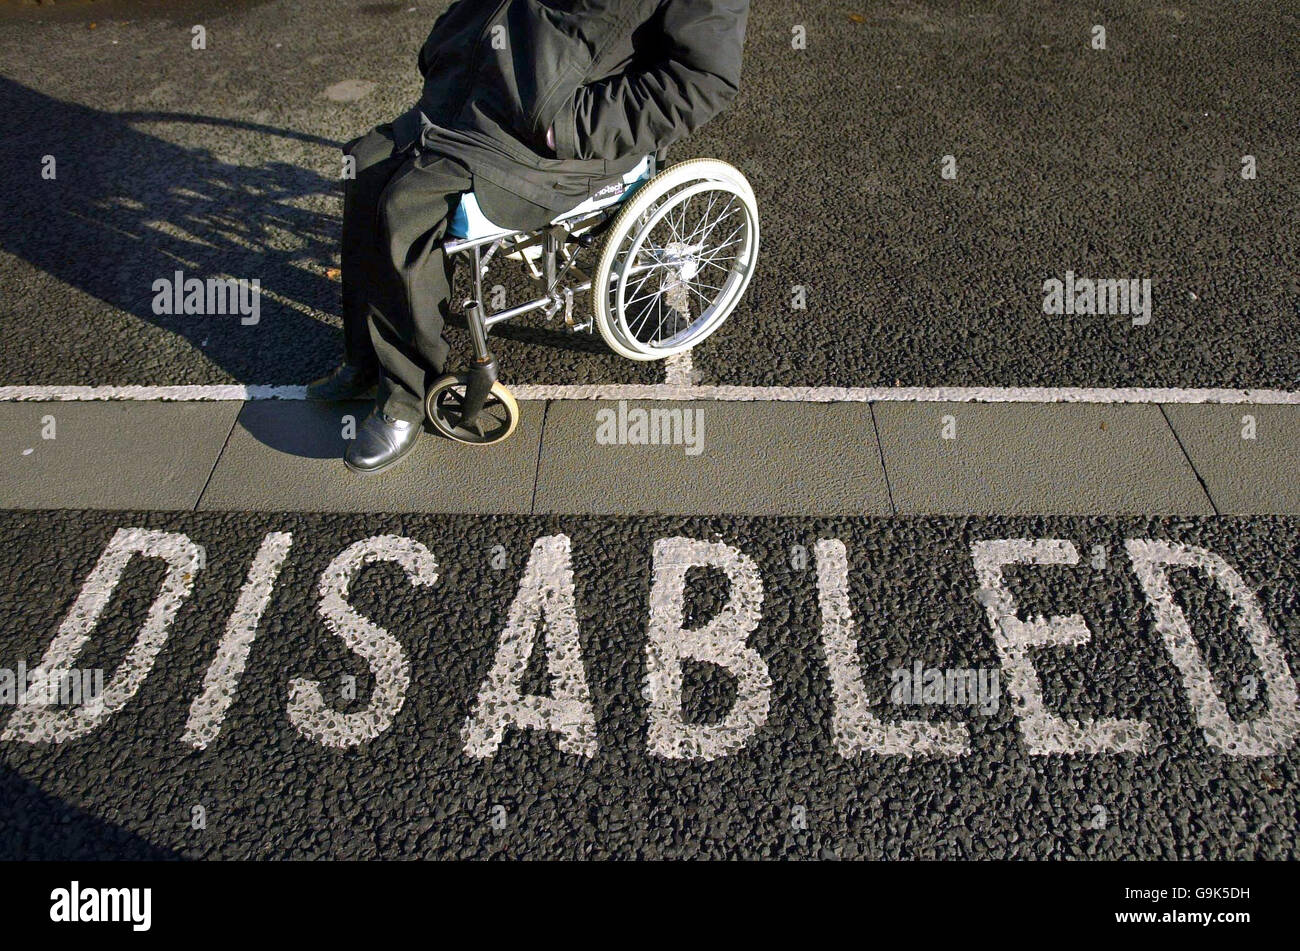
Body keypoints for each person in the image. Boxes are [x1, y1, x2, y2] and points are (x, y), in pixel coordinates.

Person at [309, 0, 751, 473]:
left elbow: (701, 79)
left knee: (405, 208)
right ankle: (365, 359)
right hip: (476, 98)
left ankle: (403, 399)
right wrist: (449, 44)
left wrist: (567, 128)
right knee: (365, 166)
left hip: (555, 145)